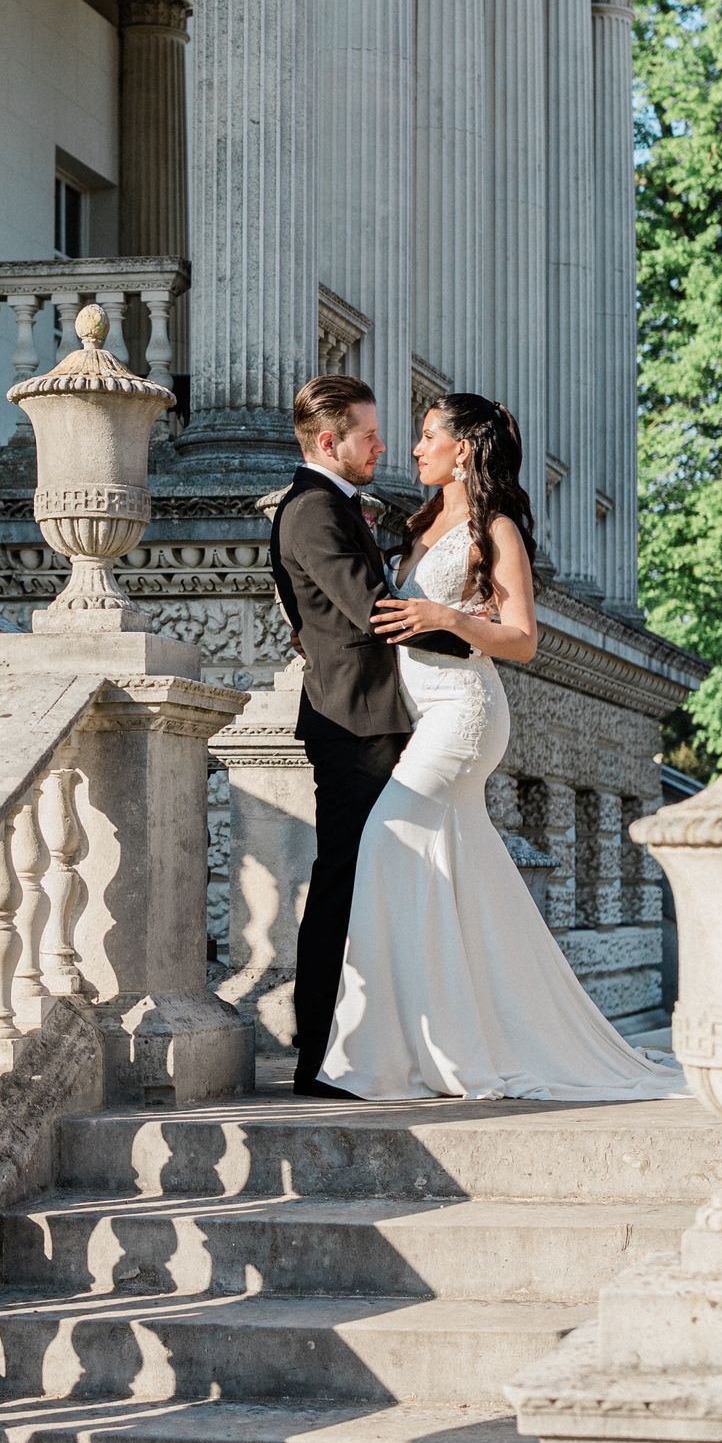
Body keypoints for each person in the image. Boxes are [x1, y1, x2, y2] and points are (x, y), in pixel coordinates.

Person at [319, 392, 680, 1103]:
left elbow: (522, 639)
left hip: (465, 710)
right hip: (423, 713)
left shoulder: (497, 527)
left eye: (427, 436)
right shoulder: (420, 522)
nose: (414, 448)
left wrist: (446, 615)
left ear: (463, 449)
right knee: (459, 877)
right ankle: (448, 1044)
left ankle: (406, 1052)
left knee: (388, 845)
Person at [268, 374, 469, 1100]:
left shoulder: (336, 504)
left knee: (368, 886)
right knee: (342, 888)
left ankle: (370, 1044)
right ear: (330, 442)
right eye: (369, 434)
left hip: (372, 717)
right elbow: (372, 611)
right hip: (355, 724)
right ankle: (320, 1056)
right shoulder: (312, 510)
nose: (382, 445)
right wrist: (471, 642)